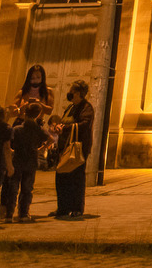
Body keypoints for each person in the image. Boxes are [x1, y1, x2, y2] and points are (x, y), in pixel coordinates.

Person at [50, 79, 94, 218]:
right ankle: (62, 207)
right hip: (65, 148)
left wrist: (66, 128)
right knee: (62, 178)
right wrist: (58, 126)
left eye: (72, 91)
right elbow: (64, 122)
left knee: (76, 179)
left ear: (79, 93)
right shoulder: (70, 107)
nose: (69, 93)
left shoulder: (86, 107)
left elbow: (84, 124)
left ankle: (77, 208)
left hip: (77, 148)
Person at [8, 102, 51, 223]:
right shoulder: (38, 130)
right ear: (37, 115)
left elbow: (8, 142)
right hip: (31, 160)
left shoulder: (17, 129)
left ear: (25, 113)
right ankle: (23, 213)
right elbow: (50, 138)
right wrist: (41, 148)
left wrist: (11, 150)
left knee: (13, 188)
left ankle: (9, 214)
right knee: (27, 189)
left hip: (17, 159)